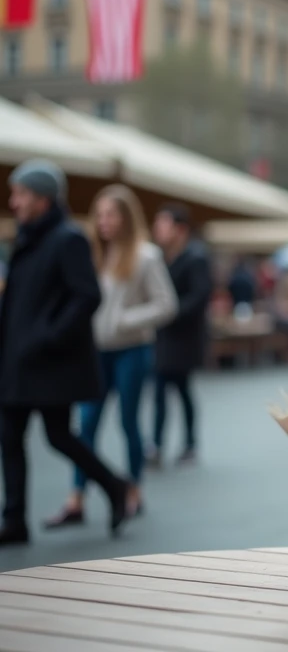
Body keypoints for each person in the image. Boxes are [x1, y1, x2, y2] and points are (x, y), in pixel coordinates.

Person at [0, 161, 131, 545]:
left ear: (42, 198)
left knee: (58, 436)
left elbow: (87, 295)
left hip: (46, 362)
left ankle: (113, 484)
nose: (14, 201)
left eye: (20, 194)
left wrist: (47, 336)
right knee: (9, 436)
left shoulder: (66, 238)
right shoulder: (26, 238)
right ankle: (15, 520)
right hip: (17, 361)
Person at [48, 185, 177, 526]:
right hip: (94, 352)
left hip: (132, 350)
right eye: (99, 214)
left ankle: (133, 490)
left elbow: (167, 304)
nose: (103, 222)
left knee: (128, 422)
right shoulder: (90, 252)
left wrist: (126, 320)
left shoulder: (146, 255)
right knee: (86, 424)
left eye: (111, 214)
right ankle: (76, 498)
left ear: (126, 218)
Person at [148, 203, 213, 466]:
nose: (158, 229)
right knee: (165, 389)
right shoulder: (161, 258)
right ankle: (161, 445)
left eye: (163, 224)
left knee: (178, 389)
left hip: (184, 337)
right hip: (165, 336)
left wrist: (168, 312)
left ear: (180, 229)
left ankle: (183, 443)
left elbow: (199, 297)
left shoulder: (194, 257)